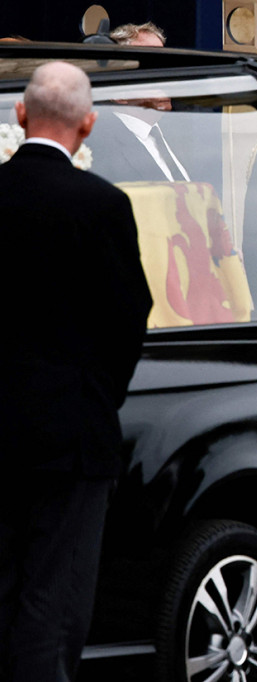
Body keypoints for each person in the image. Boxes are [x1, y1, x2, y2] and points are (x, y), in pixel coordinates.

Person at [0, 61, 152, 682]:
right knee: (54, 601)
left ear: (20, 115)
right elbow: (129, 316)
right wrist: (97, 396)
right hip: (72, 434)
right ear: (88, 125)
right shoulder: (103, 205)